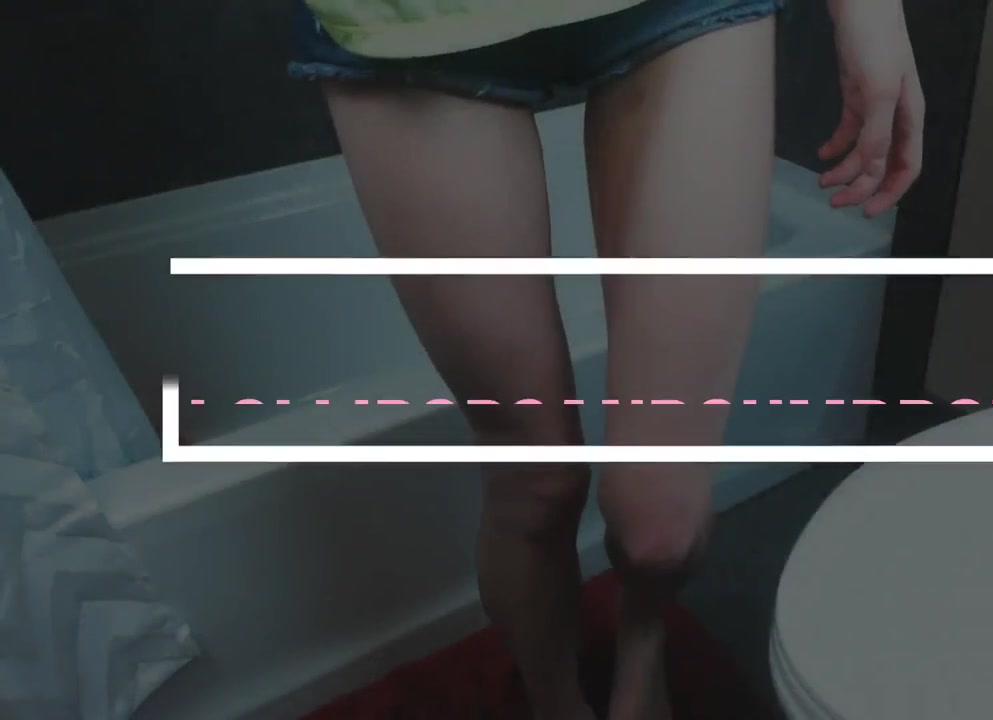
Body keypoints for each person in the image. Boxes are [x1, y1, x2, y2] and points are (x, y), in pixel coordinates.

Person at [287, 1, 923, 718]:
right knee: (537, 483)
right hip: (407, 20)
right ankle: (555, 699)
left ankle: (641, 649)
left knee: (662, 528)